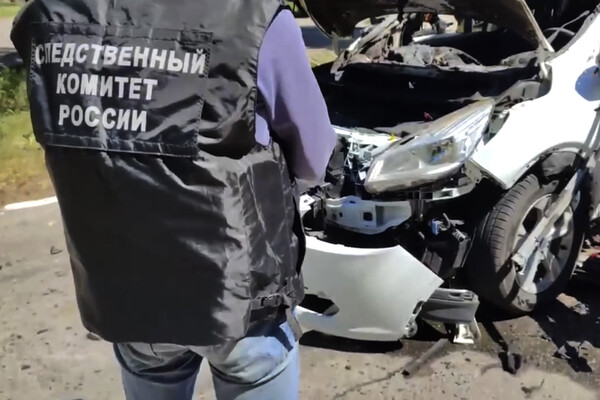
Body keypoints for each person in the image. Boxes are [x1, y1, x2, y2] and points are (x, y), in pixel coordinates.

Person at [11, 1, 337, 399]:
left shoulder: (48, 15)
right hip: (239, 297)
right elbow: (313, 156)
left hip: (125, 293)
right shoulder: (253, 16)